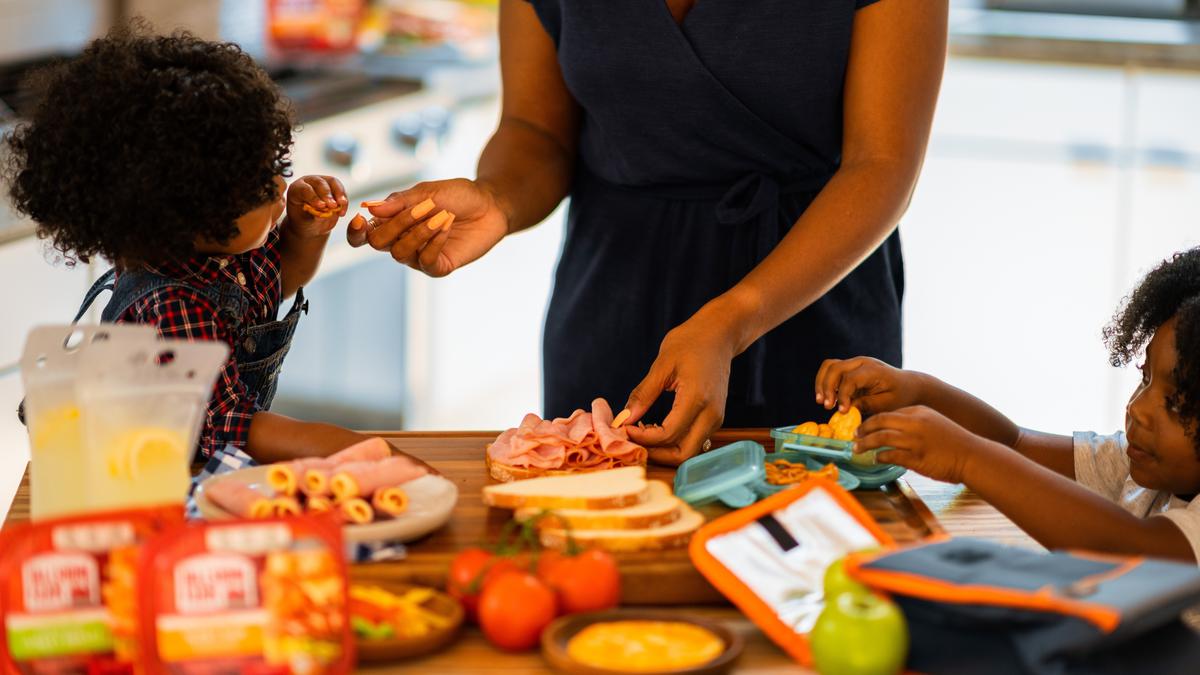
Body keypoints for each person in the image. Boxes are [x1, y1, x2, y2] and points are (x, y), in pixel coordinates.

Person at [352, 0, 948, 463]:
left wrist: (731, 319)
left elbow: (881, 164)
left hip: (809, 301)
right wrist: (497, 198)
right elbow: (536, 127)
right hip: (615, 301)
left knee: (815, 567)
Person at [3, 25, 393, 464]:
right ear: (186, 213)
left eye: (274, 165)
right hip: (140, 477)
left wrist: (303, 232)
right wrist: (359, 451)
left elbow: (279, 281)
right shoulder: (172, 303)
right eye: (256, 187)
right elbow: (231, 426)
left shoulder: (224, 250)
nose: (280, 186)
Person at [818, 248, 1200, 561]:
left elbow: (1130, 553)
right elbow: (1016, 445)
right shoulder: (1139, 467)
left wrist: (966, 457)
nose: (1137, 409)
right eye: (1145, 377)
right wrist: (918, 391)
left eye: (1175, 402)